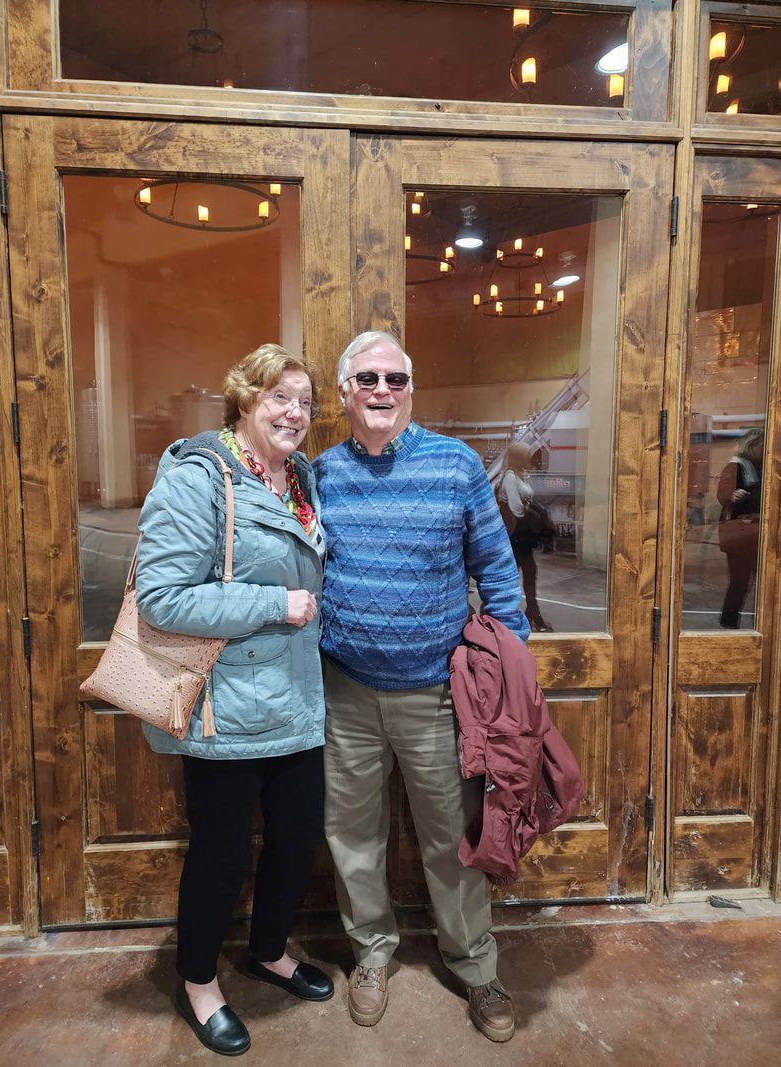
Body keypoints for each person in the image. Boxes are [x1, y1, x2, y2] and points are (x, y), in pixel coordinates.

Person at [313, 331, 529, 1044]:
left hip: (438, 695)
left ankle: (475, 965)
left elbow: (497, 569)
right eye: (368, 378)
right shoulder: (319, 476)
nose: (382, 391)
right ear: (344, 390)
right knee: (352, 834)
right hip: (345, 689)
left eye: (395, 379)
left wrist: (514, 671)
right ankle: (371, 953)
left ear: (411, 389)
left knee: (453, 838)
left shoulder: (456, 465)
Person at [136, 344, 332, 1056]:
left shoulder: (298, 477)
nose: (295, 412)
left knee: (296, 837)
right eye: (280, 396)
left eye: (306, 401)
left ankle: (269, 950)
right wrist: (277, 602)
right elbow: (162, 598)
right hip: (228, 706)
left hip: (298, 699)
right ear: (245, 399)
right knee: (220, 854)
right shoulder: (199, 477)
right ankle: (198, 982)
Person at [499, 440, 554, 632]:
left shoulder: (522, 476)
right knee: (514, 578)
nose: (530, 458)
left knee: (528, 575)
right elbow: (516, 509)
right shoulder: (511, 477)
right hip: (515, 536)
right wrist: (532, 511)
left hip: (522, 537)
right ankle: (514, 618)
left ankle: (532, 614)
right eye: (526, 455)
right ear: (519, 457)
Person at [717, 428, 764, 629]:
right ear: (753, 445)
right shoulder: (737, 466)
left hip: (754, 532)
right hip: (742, 534)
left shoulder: (761, 466)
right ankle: (729, 622)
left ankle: (735, 622)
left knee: (753, 581)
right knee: (741, 581)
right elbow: (725, 494)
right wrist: (733, 495)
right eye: (763, 445)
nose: (766, 449)